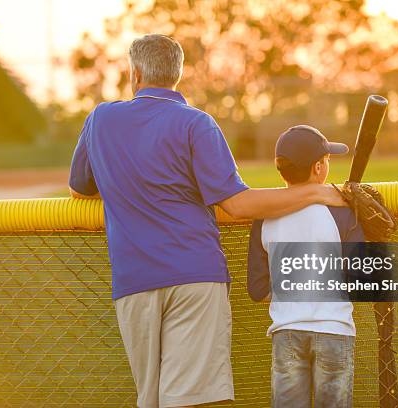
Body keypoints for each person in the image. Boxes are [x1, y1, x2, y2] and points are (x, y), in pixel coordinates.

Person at [68, 34, 345, 408]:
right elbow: (239, 205)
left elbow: (80, 190)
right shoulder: (196, 123)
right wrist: (316, 192)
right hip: (194, 277)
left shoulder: (100, 119)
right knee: (195, 401)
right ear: (177, 76)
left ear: (134, 75)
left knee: (150, 399)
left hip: (133, 282)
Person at [247, 125, 364, 408]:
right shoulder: (342, 211)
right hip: (334, 330)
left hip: (287, 331)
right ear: (317, 168)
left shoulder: (263, 217)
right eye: (326, 159)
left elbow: (258, 290)